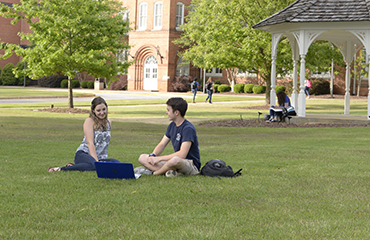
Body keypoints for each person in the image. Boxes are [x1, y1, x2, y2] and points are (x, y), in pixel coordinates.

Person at [48, 97, 120, 172]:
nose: (102, 113)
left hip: (100, 157)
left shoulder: (108, 122)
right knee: (94, 166)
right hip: (84, 154)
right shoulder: (90, 121)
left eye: (104, 109)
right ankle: (61, 169)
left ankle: (76, 166)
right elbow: (90, 143)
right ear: (93, 111)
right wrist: (97, 161)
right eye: (98, 110)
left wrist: (98, 160)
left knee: (116, 163)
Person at [136, 97, 201, 177]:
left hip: (189, 164)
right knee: (142, 157)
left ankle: (154, 173)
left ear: (176, 112)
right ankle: (172, 172)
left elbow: (182, 154)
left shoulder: (188, 128)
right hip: (174, 162)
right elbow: (162, 144)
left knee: (175, 160)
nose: (167, 112)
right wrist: (153, 155)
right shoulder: (172, 126)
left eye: (168, 110)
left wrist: (159, 159)